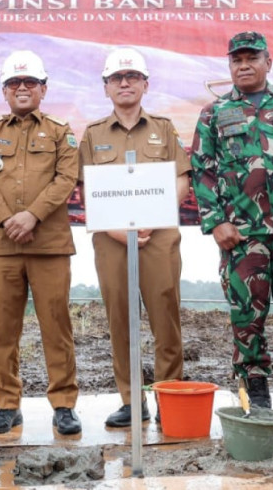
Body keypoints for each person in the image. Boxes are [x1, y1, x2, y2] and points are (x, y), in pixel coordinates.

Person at [191, 32, 273, 425]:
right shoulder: (213, 114)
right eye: (237, 60)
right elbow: (203, 170)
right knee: (246, 315)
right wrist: (216, 222)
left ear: (269, 62)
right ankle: (257, 392)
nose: (244, 65)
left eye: (252, 58)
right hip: (242, 235)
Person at [0, 50, 82, 436]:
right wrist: (7, 219)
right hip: (0, 247)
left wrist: (32, 215)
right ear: (5, 90)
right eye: (15, 83)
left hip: (48, 244)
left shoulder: (60, 132)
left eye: (30, 83)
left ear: (43, 89)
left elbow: (66, 179)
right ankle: (6, 405)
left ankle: (64, 404)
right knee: (3, 330)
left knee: (56, 326)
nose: (22, 88)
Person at [78, 48, 189, 428]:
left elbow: (181, 179)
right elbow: (84, 190)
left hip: (157, 237)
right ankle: (132, 400)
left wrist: (152, 218)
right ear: (106, 87)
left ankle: (170, 394)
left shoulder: (164, 128)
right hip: (111, 240)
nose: (124, 83)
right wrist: (115, 228)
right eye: (116, 78)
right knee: (121, 318)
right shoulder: (93, 135)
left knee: (165, 317)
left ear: (145, 84)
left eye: (132, 77)